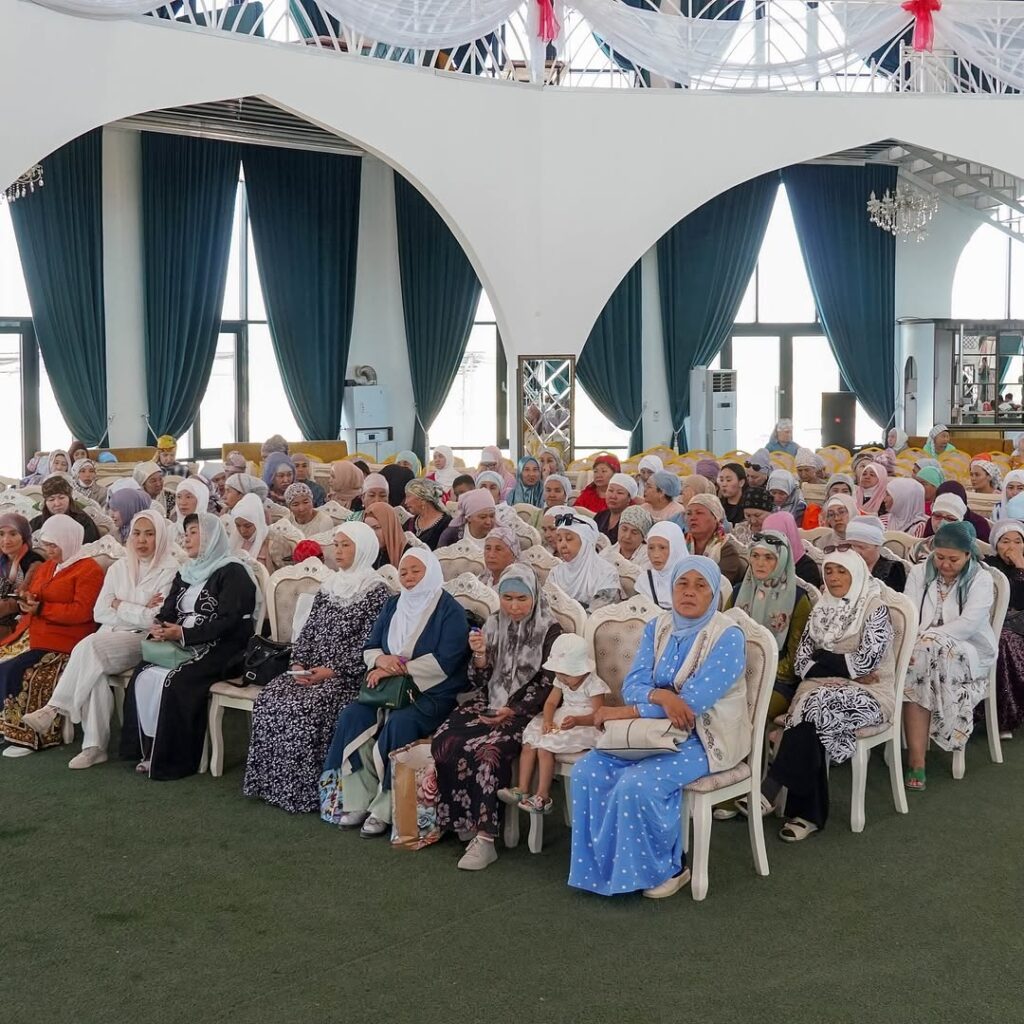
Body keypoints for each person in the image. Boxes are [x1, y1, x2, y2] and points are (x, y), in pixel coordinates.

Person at [569, 557, 748, 899]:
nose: (689, 592)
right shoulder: (659, 626)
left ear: (714, 593)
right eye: (683, 583)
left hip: (704, 737)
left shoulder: (727, 636)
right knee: (587, 771)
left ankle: (671, 869)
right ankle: (605, 869)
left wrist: (629, 711)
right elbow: (634, 684)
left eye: (700, 585)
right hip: (651, 730)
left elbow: (693, 704)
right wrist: (663, 696)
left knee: (638, 783)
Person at [244, 522, 391, 814]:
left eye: (346, 545)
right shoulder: (329, 587)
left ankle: (304, 793)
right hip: (310, 671)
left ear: (364, 549)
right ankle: (272, 785)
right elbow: (308, 631)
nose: (338, 551)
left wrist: (331, 671)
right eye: (336, 545)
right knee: (271, 697)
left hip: (346, 677)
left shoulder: (377, 592)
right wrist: (299, 662)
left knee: (306, 706)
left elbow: (370, 644)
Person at [320, 549, 469, 836]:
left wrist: (396, 668)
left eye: (416, 571)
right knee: (353, 715)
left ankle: (386, 808)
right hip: (386, 690)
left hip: (431, 693)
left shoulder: (450, 611)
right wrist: (380, 660)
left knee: (402, 723)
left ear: (431, 572)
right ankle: (357, 799)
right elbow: (371, 647)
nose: (409, 577)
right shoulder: (393, 605)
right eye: (404, 572)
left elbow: (447, 662)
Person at [21, 511, 179, 768]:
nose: (141, 540)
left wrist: (120, 604)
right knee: (94, 670)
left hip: (143, 640)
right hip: (109, 636)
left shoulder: (170, 570)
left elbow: (154, 619)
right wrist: (137, 606)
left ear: (160, 537)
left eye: (150, 534)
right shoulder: (119, 567)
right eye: (137, 533)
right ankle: (94, 747)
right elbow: (100, 612)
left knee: (90, 646)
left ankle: (54, 708)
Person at [757, 549, 895, 841]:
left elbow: (866, 663)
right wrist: (842, 665)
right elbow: (801, 664)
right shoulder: (822, 608)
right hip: (818, 690)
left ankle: (772, 787)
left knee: (812, 707)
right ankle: (808, 816)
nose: (833, 578)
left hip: (870, 694)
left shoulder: (875, 609)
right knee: (814, 713)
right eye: (829, 571)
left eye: (842, 571)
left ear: (856, 573)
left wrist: (822, 657)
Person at [431, 564, 562, 869]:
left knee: (489, 752)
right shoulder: (492, 622)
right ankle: (461, 820)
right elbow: (478, 680)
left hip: (529, 710)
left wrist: (513, 709)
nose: (514, 607)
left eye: (522, 599)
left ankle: (486, 838)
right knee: (446, 738)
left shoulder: (550, 631)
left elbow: (552, 682)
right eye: (507, 598)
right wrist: (479, 655)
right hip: (489, 700)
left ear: (534, 597)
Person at [119, 513, 258, 780]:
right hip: (181, 642)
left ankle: (173, 759)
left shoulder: (233, 572)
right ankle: (146, 749)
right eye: (186, 533)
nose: (187, 539)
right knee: (144, 672)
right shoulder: (187, 572)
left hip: (223, 648)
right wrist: (160, 627)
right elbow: (169, 609)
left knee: (177, 680)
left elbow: (230, 621)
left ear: (211, 537)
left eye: (194, 532)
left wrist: (184, 633)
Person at [903, 521, 996, 790]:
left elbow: (968, 625)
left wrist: (928, 640)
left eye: (953, 559)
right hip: (920, 649)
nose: (944, 564)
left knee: (920, 660)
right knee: (917, 667)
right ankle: (917, 760)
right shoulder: (919, 572)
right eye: (939, 556)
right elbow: (909, 613)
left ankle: (918, 760)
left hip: (968, 649)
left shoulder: (981, 578)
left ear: (968, 554)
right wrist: (917, 643)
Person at [0, 516, 105, 754]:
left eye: (53, 545)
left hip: (65, 640)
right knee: (3, 660)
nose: (49, 550)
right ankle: (6, 727)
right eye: (46, 545)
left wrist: (42, 609)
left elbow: (83, 612)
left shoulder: (89, 570)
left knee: (17, 670)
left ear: (68, 541)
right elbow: (35, 593)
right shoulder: (48, 566)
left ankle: (27, 736)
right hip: (35, 632)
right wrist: (27, 600)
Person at [501, 632, 609, 818]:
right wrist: (548, 720)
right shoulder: (561, 680)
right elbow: (551, 703)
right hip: (563, 716)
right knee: (530, 741)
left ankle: (543, 796)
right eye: (559, 673)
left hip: (585, 724)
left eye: (566, 674)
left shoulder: (594, 685)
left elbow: (598, 716)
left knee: (545, 748)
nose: (562, 678)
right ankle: (522, 789)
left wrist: (577, 721)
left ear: (582, 669)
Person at [983, 520, 1024, 738]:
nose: (1012, 547)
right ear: (996, 544)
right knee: (1001, 640)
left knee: (1006, 640)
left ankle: (1010, 713)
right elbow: (1008, 600)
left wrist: (1020, 567)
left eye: (1018, 542)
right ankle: (1001, 714)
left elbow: (1020, 602)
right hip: (995, 623)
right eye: (1005, 541)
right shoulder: (989, 567)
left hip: (1020, 624)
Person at [548, 513, 621, 610]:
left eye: (569, 539)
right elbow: (546, 606)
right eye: (559, 540)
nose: (562, 545)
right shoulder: (556, 572)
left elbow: (601, 614)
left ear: (585, 542)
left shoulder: (606, 573)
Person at [686, 494, 748, 588]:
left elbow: (718, 584)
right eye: (689, 513)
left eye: (699, 513)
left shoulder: (727, 549)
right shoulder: (680, 543)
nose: (692, 518)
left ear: (715, 517)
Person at [0, 514, 44, 640]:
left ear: (24, 536)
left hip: (16, 622)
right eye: (1, 534)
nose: (6, 540)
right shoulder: (2, 559)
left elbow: (22, 600)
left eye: (13, 534)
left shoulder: (34, 563)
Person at [30, 474, 100, 544]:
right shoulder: (36, 523)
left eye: (61, 498)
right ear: (45, 502)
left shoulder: (84, 522)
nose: (57, 504)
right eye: (51, 499)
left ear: (69, 498)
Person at [846, 515, 907, 593]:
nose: (856, 551)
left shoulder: (893, 569)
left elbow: (895, 598)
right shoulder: (844, 566)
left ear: (877, 546)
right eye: (852, 546)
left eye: (861, 547)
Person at [763, 511, 822, 589]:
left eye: (777, 539)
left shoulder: (807, 568)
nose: (772, 544)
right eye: (767, 539)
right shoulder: (760, 562)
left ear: (790, 535)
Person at [635, 521, 686, 609]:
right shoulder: (645, 580)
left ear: (676, 548)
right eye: (651, 548)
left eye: (662, 548)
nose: (656, 555)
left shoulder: (691, 581)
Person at [404, 479, 451, 550]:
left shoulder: (447, 524)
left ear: (423, 500)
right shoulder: (409, 523)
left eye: (408, 496)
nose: (405, 502)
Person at [229, 493, 271, 569]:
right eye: (238, 525)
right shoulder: (235, 541)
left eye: (247, 526)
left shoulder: (271, 543)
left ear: (257, 522)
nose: (242, 531)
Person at [594, 473, 638, 545]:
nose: (613, 496)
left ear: (629, 499)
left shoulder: (633, 521)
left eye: (619, 493)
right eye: (610, 490)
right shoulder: (600, 516)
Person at [364, 502, 409, 569]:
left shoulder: (409, 555)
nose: (371, 533)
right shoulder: (368, 554)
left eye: (376, 528)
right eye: (367, 528)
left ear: (389, 527)